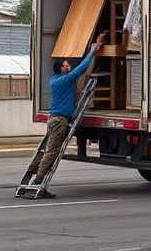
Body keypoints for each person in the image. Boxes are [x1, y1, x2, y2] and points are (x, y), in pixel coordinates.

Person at [26, 33, 104, 198]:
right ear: (62, 68)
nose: (69, 66)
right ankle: (38, 181)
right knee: (52, 152)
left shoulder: (55, 80)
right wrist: (93, 51)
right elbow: (81, 69)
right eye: (67, 65)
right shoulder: (63, 81)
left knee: (47, 150)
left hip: (55, 120)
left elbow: (78, 70)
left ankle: (33, 172)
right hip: (60, 121)